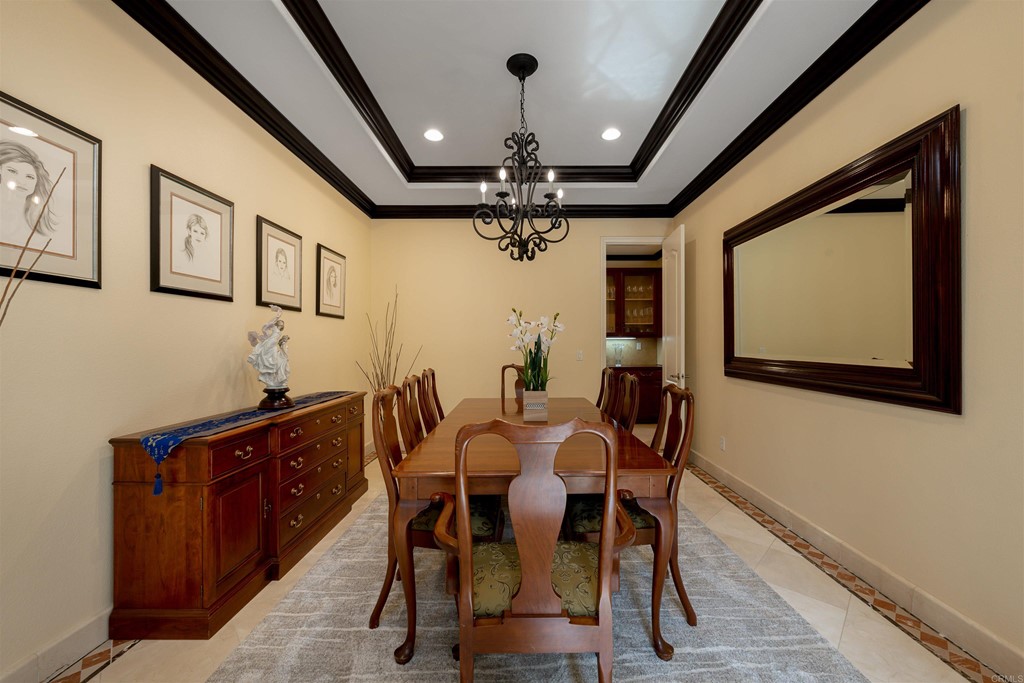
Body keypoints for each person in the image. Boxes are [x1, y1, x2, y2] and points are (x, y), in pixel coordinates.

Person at [0, 140, 56, 249]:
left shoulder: (38, 227)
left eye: (29, 177)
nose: (21, 181)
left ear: (37, 182)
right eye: (12, 171)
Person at [247, 305, 290, 388]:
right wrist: (278, 312)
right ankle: (267, 376)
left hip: (273, 345)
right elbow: (273, 320)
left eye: (282, 324)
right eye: (280, 323)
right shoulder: (274, 328)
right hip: (270, 343)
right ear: (277, 324)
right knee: (266, 356)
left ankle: (271, 377)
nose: (281, 324)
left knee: (273, 359)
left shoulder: (279, 331)